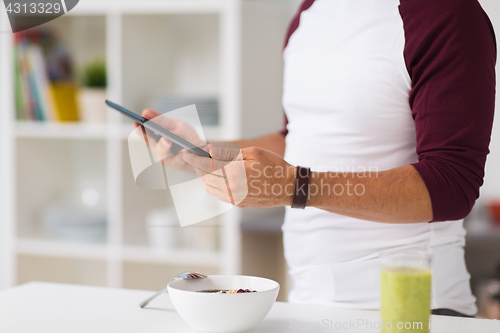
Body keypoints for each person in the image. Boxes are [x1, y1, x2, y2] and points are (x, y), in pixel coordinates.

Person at [138, 0, 496, 317]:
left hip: (412, 312)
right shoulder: (308, 14)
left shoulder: (447, 13)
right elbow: (300, 140)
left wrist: (298, 186)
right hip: (309, 304)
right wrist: (198, 151)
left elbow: (452, 182)